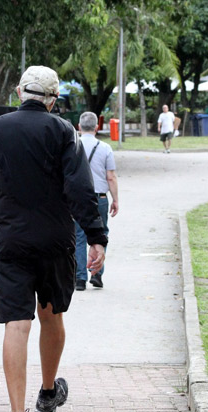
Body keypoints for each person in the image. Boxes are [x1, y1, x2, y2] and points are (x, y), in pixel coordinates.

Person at [0, 66, 107, 412]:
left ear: (18, 92)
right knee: (51, 316)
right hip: (55, 241)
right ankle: (47, 392)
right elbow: (80, 187)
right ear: (53, 99)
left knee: (17, 324)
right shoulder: (63, 131)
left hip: (12, 241)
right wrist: (96, 236)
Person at [74, 111, 119, 291]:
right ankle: (97, 274)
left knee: (79, 236)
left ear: (79, 127)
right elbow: (111, 177)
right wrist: (115, 199)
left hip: (77, 198)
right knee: (101, 233)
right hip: (99, 197)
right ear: (96, 128)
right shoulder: (105, 148)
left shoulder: (72, 145)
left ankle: (79, 278)